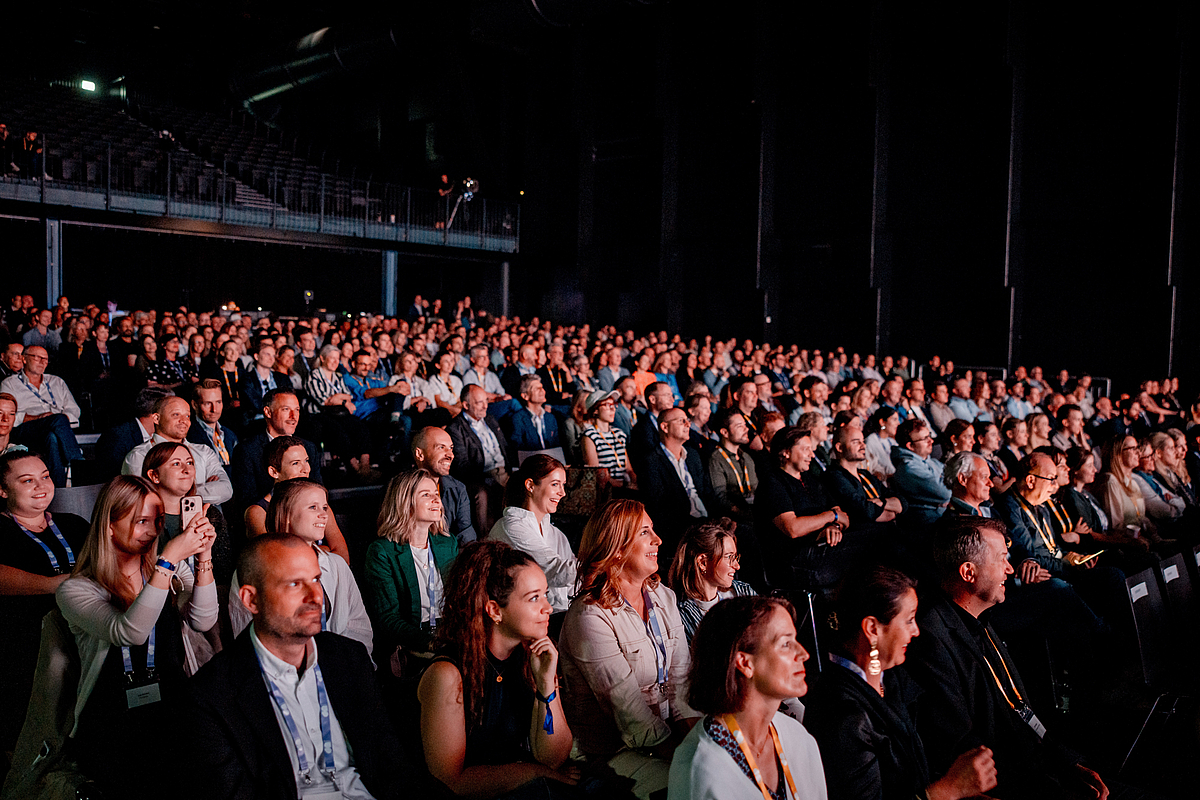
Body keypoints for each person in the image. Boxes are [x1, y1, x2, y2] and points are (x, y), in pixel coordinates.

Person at [187, 533, 414, 800]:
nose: (315, 595)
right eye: (295, 584)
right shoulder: (212, 694)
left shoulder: (350, 658)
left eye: (316, 579)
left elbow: (392, 764)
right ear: (251, 600)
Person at [903, 516, 1112, 799]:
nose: (1010, 569)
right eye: (1002, 558)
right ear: (968, 572)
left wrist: (1067, 763)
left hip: (1038, 770)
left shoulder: (980, 619)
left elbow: (1020, 708)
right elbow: (963, 750)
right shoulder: (931, 639)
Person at [56, 476, 218, 797]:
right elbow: (130, 632)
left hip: (172, 707)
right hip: (112, 720)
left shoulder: (170, 570)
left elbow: (203, 620)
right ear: (109, 526)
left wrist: (203, 556)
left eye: (157, 521)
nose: (153, 531)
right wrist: (168, 561)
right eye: (141, 521)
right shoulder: (76, 589)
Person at [805, 565, 997, 800]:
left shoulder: (892, 679)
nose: (916, 631)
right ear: (872, 629)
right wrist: (948, 790)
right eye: (908, 620)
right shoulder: (841, 715)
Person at [558, 499, 699, 799]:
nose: (658, 540)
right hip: (608, 753)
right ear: (617, 548)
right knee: (693, 784)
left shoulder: (663, 596)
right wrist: (686, 756)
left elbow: (681, 681)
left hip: (662, 739)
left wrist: (700, 744)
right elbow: (629, 713)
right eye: (645, 532)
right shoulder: (590, 615)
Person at [417, 540, 580, 799]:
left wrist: (546, 685)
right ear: (494, 610)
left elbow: (553, 758)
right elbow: (451, 782)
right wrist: (534, 771)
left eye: (545, 594)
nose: (548, 608)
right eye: (534, 598)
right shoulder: (446, 674)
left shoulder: (531, 657)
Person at [667, 595, 827, 800]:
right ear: (744, 663)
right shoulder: (701, 770)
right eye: (786, 644)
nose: (804, 654)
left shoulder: (798, 737)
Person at [0, 451, 90, 747]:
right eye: (27, 480)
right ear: (2, 490)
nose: (41, 486)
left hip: (81, 632)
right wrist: (53, 585)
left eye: (46, 477)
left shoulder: (74, 524)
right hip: (25, 643)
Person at [228, 478, 373, 653]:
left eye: (324, 507)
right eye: (313, 507)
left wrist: (350, 663)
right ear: (287, 515)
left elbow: (359, 626)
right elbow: (245, 634)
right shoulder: (254, 568)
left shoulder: (336, 564)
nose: (324, 515)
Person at [363, 469, 459, 664]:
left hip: (450, 634)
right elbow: (388, 619)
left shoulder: (448, 544)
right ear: (405, 503)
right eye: (426, 495)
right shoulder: (381, 551)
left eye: (436, 493)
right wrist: (432, 643)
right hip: (412, 642)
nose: (436, 499)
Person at [754, 426, 856, 593]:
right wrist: (831, 516)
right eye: (805, 449)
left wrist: (834, 526)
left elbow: (843, 516)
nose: (812, 455)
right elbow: (793, 528)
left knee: (881, 536)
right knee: (876, 543)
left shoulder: (810, 479)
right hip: (794, 561)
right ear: (786, 452)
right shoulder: (773, 483)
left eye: (811, 449)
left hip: (821, 548)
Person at [488, 454, 577, 615]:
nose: (562, 493)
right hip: (524, 617)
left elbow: (575, 584)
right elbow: (555, 570)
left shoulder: (556, 534)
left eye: (563, 485)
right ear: (530, 485)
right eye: (555, 484)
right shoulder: (511, 527)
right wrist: (607, 561)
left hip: (559, 615)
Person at [140, 441, 235, 585]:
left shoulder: (209, 514)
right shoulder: (141, 519)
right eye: (176, 464)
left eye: (190, 463)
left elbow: (224, 575)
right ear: (154, 476)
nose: (187, 470)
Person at [121, 395, 235, 506]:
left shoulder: (203, 452)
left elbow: (226, 489)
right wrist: (203, 489)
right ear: (156, 418)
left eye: (187, 416)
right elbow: (142, 498)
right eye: (176, 415)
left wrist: (171, 491)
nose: (184, 421)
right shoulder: (139, 455)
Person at [0, 345, 84, 487]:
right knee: (58, 419)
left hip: (55, 428)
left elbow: (74, 410)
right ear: (24, 359)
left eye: (45, 359)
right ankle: (78, 465)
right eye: (37, 357)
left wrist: (57, 422)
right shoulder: (10, 383)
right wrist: (39, 418)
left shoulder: (57, 382)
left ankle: (59, 489)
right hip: (25, 429)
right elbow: (9, 413)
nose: (42, 362)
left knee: (52, 437)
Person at [668, 517, 756, 644]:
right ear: (703, 562)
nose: (737, 566)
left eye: (736, 557)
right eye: (729, 557)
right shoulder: (680, 613)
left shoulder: (743, 592)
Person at [824, 423, 906, 528]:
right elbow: (863, 511)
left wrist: (880, 502)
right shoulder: (833, 476)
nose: (863, 446)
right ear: (839, 447)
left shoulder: (865, 474)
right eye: (856, 442)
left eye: (862, 441)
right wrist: (890, 508)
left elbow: (903, 502)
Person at [412, 425, 478, 544]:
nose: (450, 455)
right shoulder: (400, 490)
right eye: (441, 447)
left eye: (451, 448)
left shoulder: (457, 489)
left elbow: (466, 538)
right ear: (420, 454)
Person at [890, 419, 951, 526]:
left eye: (929, 436)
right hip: (927, 523)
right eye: (925, 439)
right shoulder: (908, 468)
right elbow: (945, 493)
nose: (931, 441)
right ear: (910, 446)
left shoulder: (933, 462)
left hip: (941, 516)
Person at [707, 406, 758, 521]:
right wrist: (747, 515)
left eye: (745, 425)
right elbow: (721, 498)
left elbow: (756, 490)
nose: (746, 429)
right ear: (725, 432)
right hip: (733, 520)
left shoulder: (747, 458)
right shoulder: (716, 459)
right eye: (740, 426)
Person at [581, 389, 637, 489]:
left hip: (625, 489)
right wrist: (623, 485)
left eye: (613, 404)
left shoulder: (619, 434)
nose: (612, 409)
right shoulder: (589, 436)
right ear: (595, 410)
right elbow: (596, 473)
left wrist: (634, 481)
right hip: (607, 490)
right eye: (607, 405)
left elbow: (628, 468)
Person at [864, 406, 900, 482]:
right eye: (894, 420)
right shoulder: (871, 441)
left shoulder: (892, 441)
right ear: (882, 422)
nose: (898, 423)